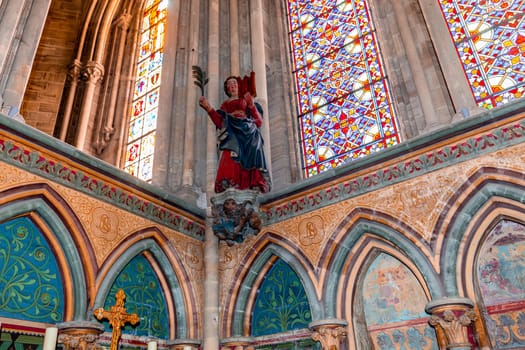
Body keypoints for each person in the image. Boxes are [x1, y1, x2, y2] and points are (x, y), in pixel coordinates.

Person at [199, 76, 271, 193]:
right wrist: (208, 108)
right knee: (230, 154)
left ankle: (255, 182)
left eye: (234, 83)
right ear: (227, 89)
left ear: (239, 85)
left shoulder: (247, 101)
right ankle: (230, 184)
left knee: (255, 145)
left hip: (248, 131)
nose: (232, 85)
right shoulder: (225, 105)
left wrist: (251, 105)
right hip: (232, 131)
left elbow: (258, 122)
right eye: (229, 84)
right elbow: (220, 122)